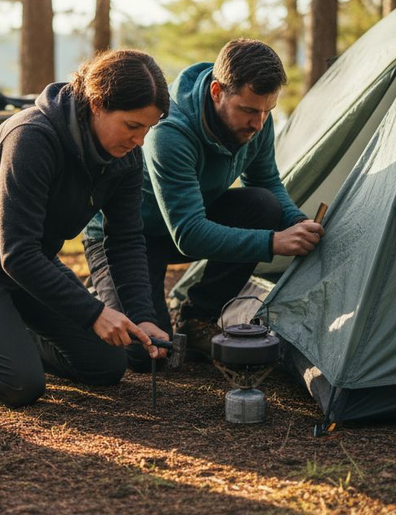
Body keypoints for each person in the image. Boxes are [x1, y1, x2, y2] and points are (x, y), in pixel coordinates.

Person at [0, 50, 172, 407]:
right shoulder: (32, 136)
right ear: (96, 103)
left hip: (28, 265)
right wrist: (93, 314)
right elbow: (16, 252)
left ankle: (4, 334)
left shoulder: (125, 157)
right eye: (132, 126)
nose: (139, 141)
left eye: (148, 129)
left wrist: (142, 316)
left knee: (106, 365)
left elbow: (124, 239)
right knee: (17, 383)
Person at [84, 38, 324, 370]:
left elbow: (265, 180)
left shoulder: (258, 121)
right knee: (146, 354)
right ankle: (101, 290)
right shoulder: (171, 131)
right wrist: (274, 242)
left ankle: (198, 318)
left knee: (263, 206)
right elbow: (190, 234)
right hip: (127, 239)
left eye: (267, 111)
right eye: (249, 110)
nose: (258, 123)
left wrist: (295, 221)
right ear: (216, 92)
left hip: (185, 223)